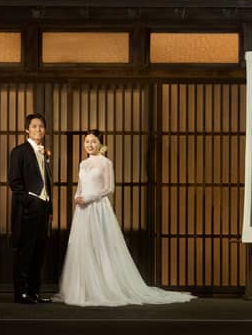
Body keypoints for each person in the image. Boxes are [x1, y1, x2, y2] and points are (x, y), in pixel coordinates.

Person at [56, 129, 193, 307]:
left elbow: (108, 188)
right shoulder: (83, 163)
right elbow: (80, 186)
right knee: (84, 246)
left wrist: (89, 198)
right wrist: (76, 197)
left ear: (101, 144)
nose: (90, 145)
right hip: (83, 210)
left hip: (98, 208)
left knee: (101, 246)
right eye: (87, 141)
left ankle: (104, 287)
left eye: (94, 141)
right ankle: (85, 288)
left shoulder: (106, 163)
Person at [8, 112, 53, 304]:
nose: (38, 129)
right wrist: (31, 201)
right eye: (34, 126)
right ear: (27, 129)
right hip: (28, 208)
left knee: (39, 251)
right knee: (25, 251)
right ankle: (22, 293)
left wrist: (49, 209)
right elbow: (14, 183)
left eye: (41, 126)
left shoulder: (44, 152)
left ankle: (34, 292)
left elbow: (47, 182)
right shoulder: (19, 151)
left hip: (43, 208)